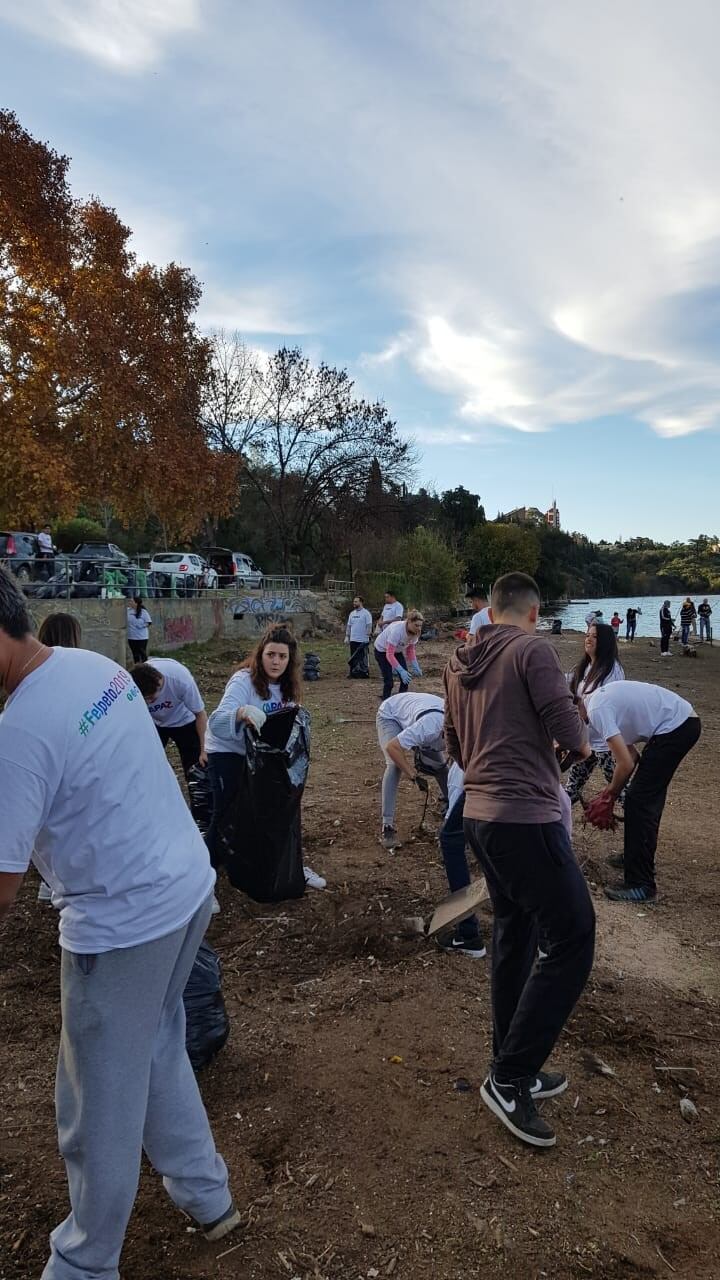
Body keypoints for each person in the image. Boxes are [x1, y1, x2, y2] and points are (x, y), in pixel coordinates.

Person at [0, 568, 241, 1279]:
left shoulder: (17, 733)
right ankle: (208, 1196)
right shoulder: (90, 667)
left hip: (123, 927)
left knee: (95, 1103)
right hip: (185, 892)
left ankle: (84, 1262)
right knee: (158, 1047)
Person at [444, 572, 594, 1149]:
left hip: (479, 815)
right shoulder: (533, 650)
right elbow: (572, 735)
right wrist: (575, 728)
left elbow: (454, 745)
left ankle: (513, 1064)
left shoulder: (459, 660)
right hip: (524, 818)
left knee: (516, 929)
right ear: (533, 613)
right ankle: (509, 1078)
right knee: (574, 934)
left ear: (495, 609)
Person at [204, 625, 325, 890]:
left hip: (261, 757)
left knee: (282, 807)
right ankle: (203, 879)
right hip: (228, 751)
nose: (276, 662)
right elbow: (216, 721)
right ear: (261, 654)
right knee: (226, 813)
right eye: (271, 654)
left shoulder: (287, 686)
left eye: (282, 657)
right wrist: (241, 713)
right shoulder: (243, 681)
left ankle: (291, 865)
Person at [581, 681, 701, 903]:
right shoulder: (600, 703)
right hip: (680, 723)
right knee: (643, 799)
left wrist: (608, 797)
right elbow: (632, 757)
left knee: (640, 801)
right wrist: (610, 794)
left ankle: (641, 885)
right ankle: (634, 857)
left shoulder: (597, 710)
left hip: (676, 727)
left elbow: (625, 763)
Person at [376, 691, 449, 850]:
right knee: (395, 765)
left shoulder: (462, 730)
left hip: (419, 714)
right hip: (391, 714)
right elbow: (392, 747)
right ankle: (387, 827)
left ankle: (450, 810)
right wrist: (413, 775)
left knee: (442, 768)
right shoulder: (430, 729)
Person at [565, 624, 625, 807]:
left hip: (606, 743)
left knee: (621, 790)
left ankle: (639, 823)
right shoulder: (584, 667)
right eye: (587, 635)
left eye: (595, 637)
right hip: (587, 740)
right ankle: (555, 822)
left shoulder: (612, 671)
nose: (588, 639)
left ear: (605, 642)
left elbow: (612, 704)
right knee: (571, 787)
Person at [436, 762, 486, 957]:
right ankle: (541, 936)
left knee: (451, 839)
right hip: (527, 777)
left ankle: (468, 934)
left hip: (486, 774)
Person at [132, 658, 208, 781]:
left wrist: (204, 749)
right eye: (145, 699)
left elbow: (200, 714)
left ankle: (197, 797)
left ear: (159, 683)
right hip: (155, 724)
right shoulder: (134, 684)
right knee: (147, 763)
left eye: (151, 698)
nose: (148, 702)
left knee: (194, 768)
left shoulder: (181, 680)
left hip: (184, 721)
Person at [373, 610, 424, 700]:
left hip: (396, 651)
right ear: (409, 622)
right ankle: (385, 701)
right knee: (389, 682)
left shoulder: (416, 632)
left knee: (405, 680)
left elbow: (410, 651)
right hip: (382, 650)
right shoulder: (397, 630)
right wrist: (400, 670)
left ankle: (400, 701)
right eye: (416, 625)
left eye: (420, 625)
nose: (419, 628)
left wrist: (416, 666)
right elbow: (389, 654)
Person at [345, 595, 373, 678]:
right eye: (354, 601)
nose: (354, 603)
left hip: (363, 640)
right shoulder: (352, 614)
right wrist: (347, 636)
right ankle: (353, 672)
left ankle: (364, 672)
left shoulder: (366, 613)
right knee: (353, 656)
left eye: (356, 601)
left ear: (361, 602)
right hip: (353, 639)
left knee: (363, 657)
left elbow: (369, 626)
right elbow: (349, 626)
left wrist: (368, 636)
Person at [127, 594, 152, 662]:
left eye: (131, 601)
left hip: (141, 637)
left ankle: (146, 666)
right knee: (135, 653)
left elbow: (149, 622)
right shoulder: (128, 611)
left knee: (142, 653)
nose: (130, 603)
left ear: (136, 603)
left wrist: (142, 626)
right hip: (131, 636)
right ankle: (137, 667)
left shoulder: (143, 612)